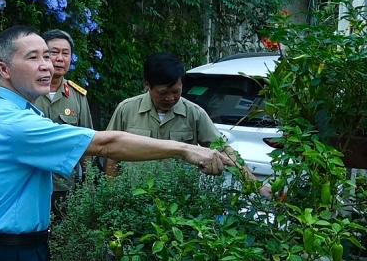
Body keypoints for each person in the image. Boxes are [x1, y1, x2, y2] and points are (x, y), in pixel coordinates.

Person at [0, 25, 234, 261]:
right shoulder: (15, 124)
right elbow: (106, 145)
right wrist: (185, 149)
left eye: (48, 56)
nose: (47, 65)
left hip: (18, 254)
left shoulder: (19, 114)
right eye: (34, 57)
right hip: (10, 260)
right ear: (4, 69)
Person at [104, 52, 260, 184]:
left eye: (176, 92)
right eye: (163, 93)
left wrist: (254, 184)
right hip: (134, 201)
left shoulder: (194, 113)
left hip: (178, 204)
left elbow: (224, 150)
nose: (170, 98)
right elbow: (111, 154)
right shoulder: (126, 110)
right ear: (147, 85)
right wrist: (113, 195)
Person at [33, 29, 93, 218]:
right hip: (31, 182)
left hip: (65, 185)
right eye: (54, 52)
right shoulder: (27, 92)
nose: (60, 58)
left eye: (65, 53)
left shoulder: (77, 97)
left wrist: (89, 184)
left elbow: (88, 143)